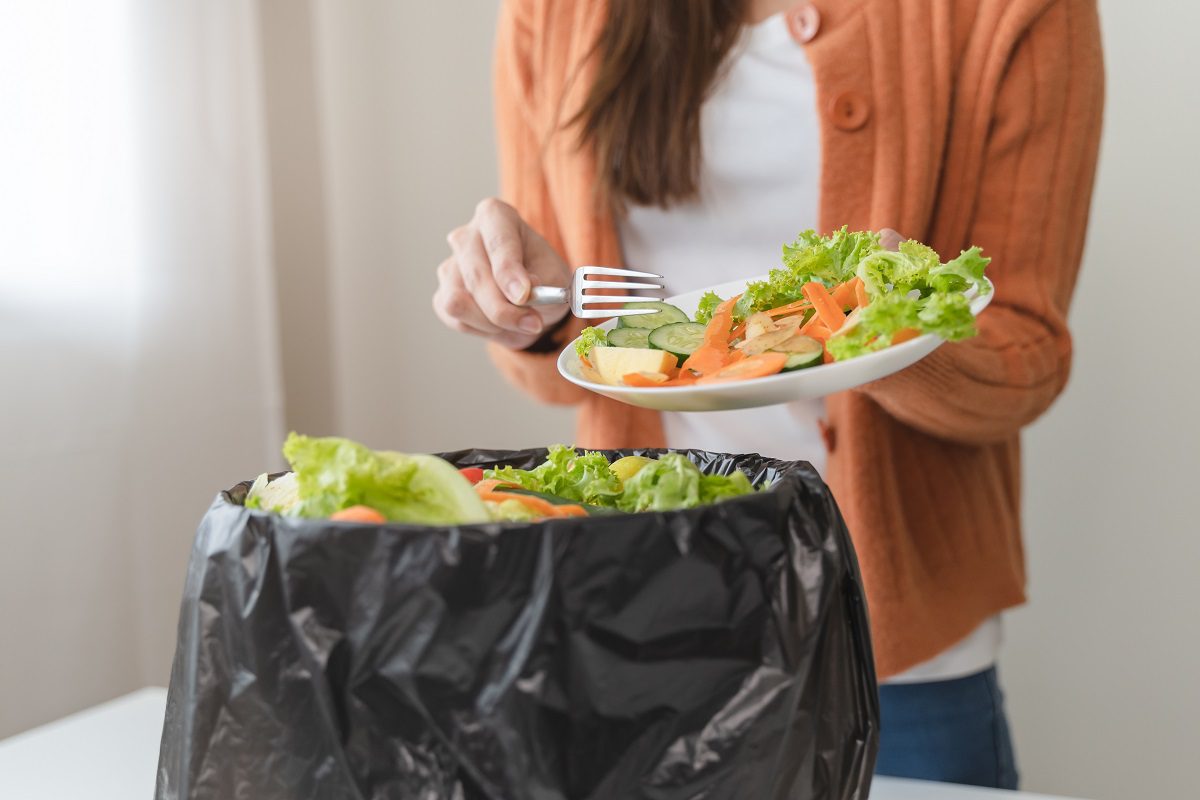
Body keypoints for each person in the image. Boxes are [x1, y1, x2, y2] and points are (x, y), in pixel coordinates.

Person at [432, 0, 1103, 789]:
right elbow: (555, 360)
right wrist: (526, 309)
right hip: (635, 616)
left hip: (898, 645)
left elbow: (1024, 355)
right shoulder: (556, 13)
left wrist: (893, 328)